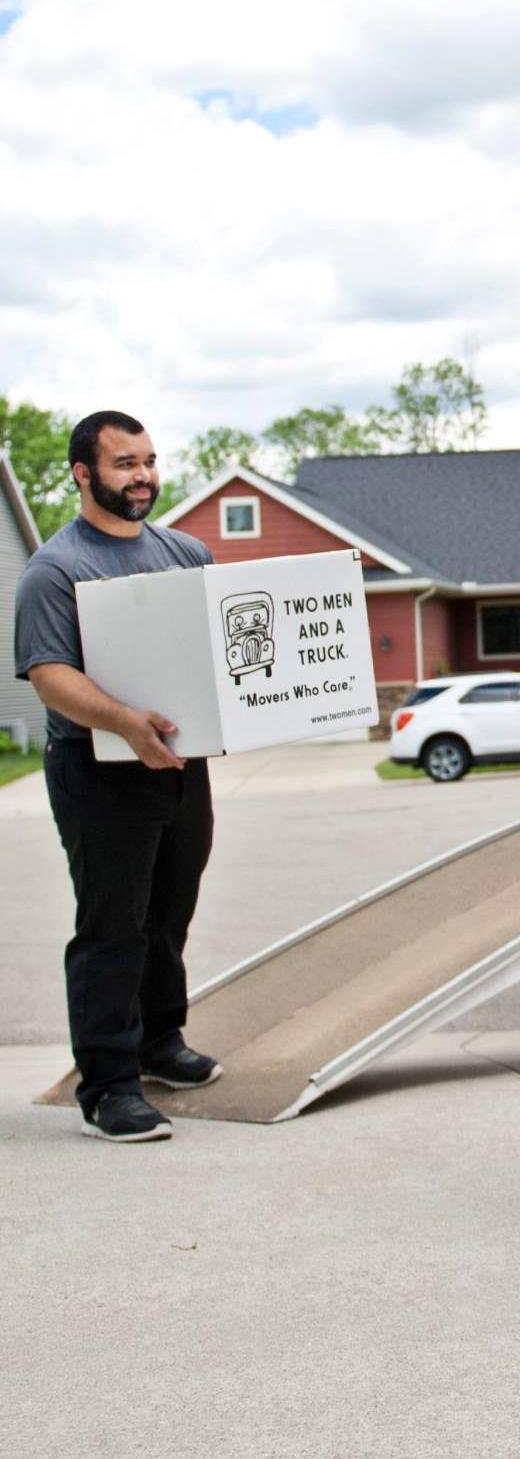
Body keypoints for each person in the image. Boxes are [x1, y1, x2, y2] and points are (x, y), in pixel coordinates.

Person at [13, 411, 221, 1143]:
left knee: (169, 911)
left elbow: (224, 643)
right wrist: (126, 720)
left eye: (150, 461)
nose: (143, 477)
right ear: (83, 473)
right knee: (113, 925)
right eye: (125, 463)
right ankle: (107, 1086)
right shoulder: (57, 569)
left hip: (180, 766)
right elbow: (48, 675)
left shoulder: (186, 552)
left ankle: (160, 1041)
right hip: (98, 771)